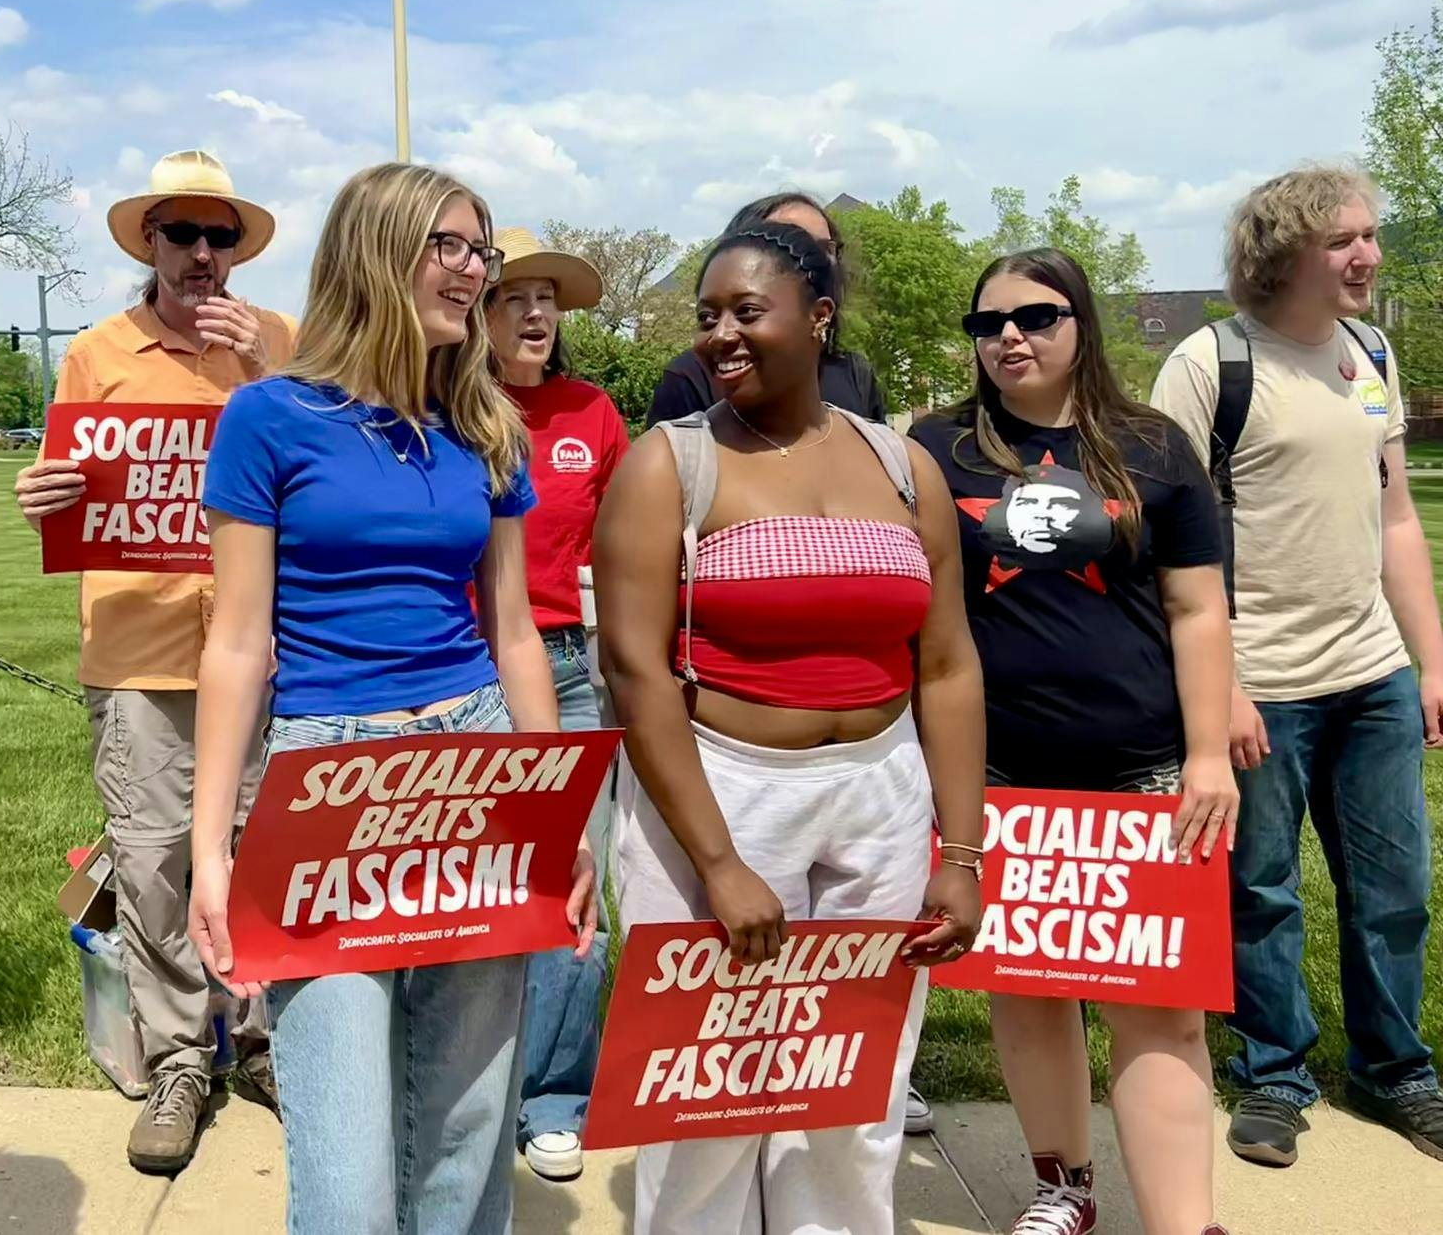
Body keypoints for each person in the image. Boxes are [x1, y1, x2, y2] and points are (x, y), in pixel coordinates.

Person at [187, 163, 595, 1234]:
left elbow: (515, 631)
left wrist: (554, 814)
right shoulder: (268, 417)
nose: (474, 270)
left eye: (479, 251)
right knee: (346, 1168)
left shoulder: (485, 424)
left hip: (476, 759)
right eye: (447, 246)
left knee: (466, 1127)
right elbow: (237, 645)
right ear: (376, 253)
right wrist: (210, 850)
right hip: (326, 773)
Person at [594, 212, 984, 1235]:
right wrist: (718, 864)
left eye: (746, 311)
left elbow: (946, 664)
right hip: (722, 792)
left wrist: (960, 853)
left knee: (852, 1092)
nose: (719, 335)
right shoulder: (668, 466)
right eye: (706, 316)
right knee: (707, 1094)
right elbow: (636, 673)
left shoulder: (903, 467)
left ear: (818, 317)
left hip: (880, 794)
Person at [911, 248, 1237, 1235]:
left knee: (1160, 1007)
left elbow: (1196, 608)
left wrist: (1208, 753)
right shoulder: (935, 450)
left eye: (1035, 316)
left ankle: (1185, 1222)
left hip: (1141, 773)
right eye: (987, 323)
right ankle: (1065, 1189)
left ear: (1080, 324)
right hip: (997, 774)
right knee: (1026, 991)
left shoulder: (1152, 448)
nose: (1008, 337)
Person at [1152, 165, 1443, 1168]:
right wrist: (1221, 687)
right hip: (1259, 682)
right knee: (1259, 891)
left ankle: (1394, 1069)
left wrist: (1430, 661)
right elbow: (1167, 545)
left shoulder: (1370, 353)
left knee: (1393, 884)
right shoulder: (1208, 364)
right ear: (1283, 253)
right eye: (1342, 240)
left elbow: (1394, 517)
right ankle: (1274, 1073)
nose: (1368, 255)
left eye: (1369, 234)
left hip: (1372, 674)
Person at [12, 149, 292, 1174]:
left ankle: (262, 1039)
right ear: (150, 243)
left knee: (265, 847)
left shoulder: (285, 343)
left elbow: (324, 461)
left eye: (220, 236)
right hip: (139, 646)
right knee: (152, 856)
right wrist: (43, 498)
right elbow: (71, 487)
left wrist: (263, 370)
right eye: (182, 233)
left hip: (265, 646)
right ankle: (178, 1055)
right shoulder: (98, 353)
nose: (202, 253)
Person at [485, 226, 628, 1182]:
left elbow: (627, 546)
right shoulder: (443, 408)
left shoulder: (593, 413)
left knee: (575, 890)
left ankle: (551, 1099)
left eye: (548, 300)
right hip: (458, 674)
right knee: (467, 892)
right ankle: (466, 1089)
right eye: (514, 298)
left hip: (571, 672)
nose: (536, 314)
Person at [646, 189, 886, 427]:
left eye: (824, 249)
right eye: (789, 241)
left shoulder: (856, 376)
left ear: (822, 313)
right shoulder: (690, 381)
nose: (811, 260)